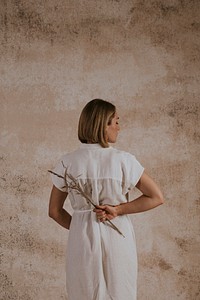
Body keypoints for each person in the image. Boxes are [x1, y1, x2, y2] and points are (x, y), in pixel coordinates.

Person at [48, 98, 164, 300]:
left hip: (82, 240)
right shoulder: (124, 160)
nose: (119, 128)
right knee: (120, 291)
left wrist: (80, 226)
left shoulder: (67, 162)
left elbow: (54, 211)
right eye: (116, 122)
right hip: (118, 237)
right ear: (103, 125)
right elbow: (156, 197)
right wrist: (118, 210)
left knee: (83, 291)